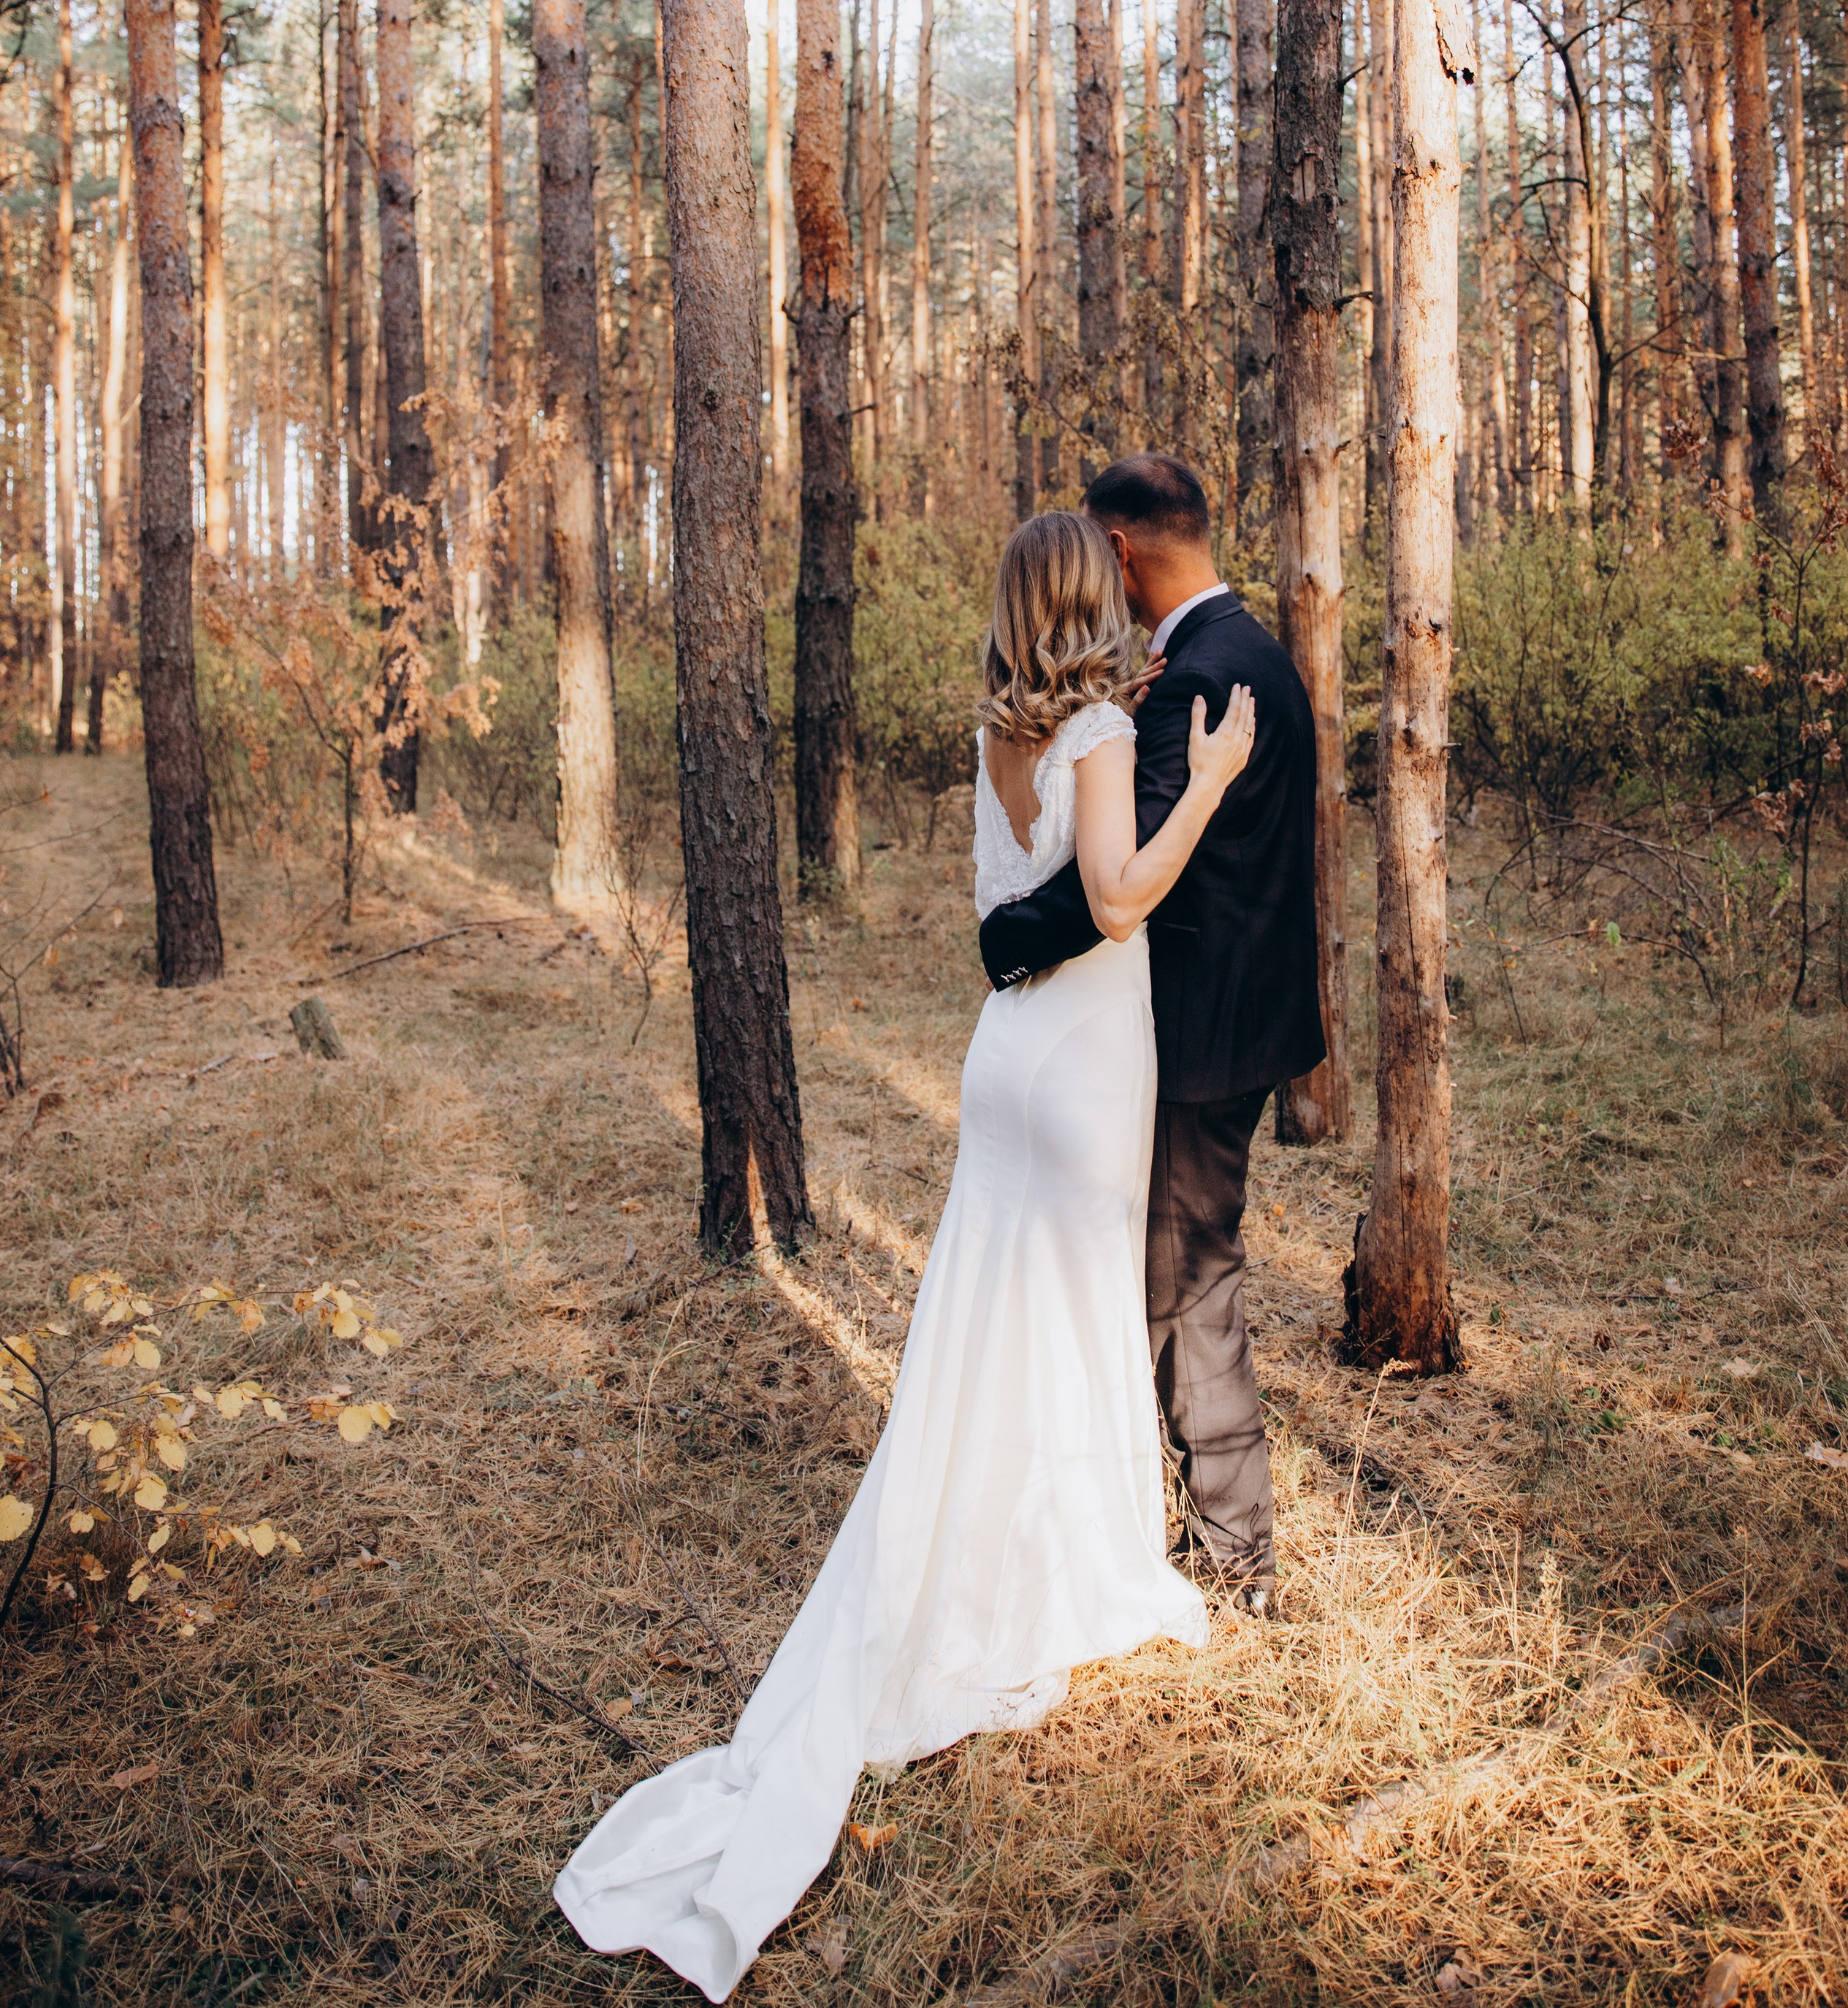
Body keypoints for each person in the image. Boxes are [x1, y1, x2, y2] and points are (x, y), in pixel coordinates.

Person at [554, 507, 1256, 2001]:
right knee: (1064, 1316)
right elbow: (1120, 898)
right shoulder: (1100, 740)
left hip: (1003, 1054)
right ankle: (1076, 1567)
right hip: (1078, 1064)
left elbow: (1003, 916)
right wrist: (1204, 783)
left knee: (992, 1326)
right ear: (1089, 605)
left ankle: (1017, 1545)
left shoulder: (996, 741)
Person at [980, 453, 1326, 1593]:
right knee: (1160, 1280)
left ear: (1120, 551)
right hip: (1240, 1025)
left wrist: (1006, 937)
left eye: (1098, 553)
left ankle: (1234, 1556)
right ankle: (1138, 1520)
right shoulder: (1255, 655)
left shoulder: (1191, 683)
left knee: (1186, 1288)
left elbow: (1115, 886)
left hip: (1191, 1043)